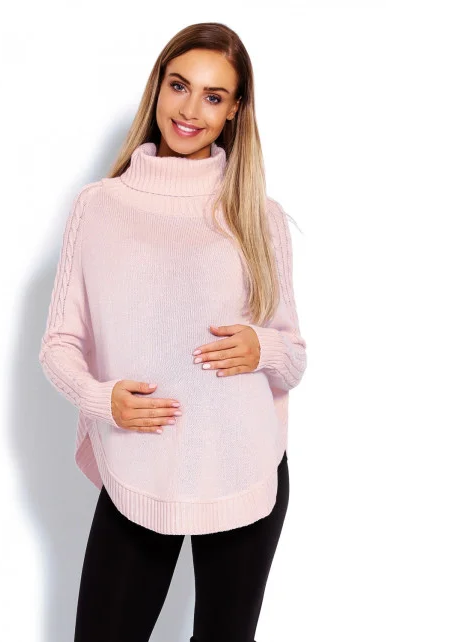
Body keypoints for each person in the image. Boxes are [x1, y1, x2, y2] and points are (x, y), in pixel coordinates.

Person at [39, 22, 308, 642]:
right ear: (157, 87)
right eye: (179, 86)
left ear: (235, 110)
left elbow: (294, 358)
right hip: (139, 467)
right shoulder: (99, 206)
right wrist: (101, 398)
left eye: (214, 96)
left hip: (244, 467)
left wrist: (262, 347)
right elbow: (58, 345)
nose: (190, 111)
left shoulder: (258, 216)